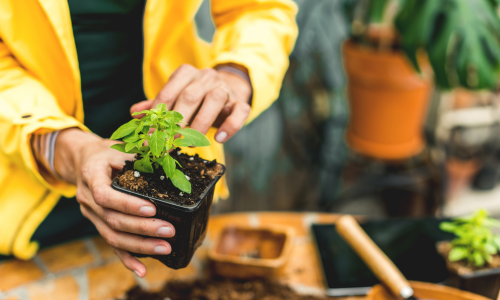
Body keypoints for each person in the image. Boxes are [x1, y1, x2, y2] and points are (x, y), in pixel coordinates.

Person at [0, 0, 298, 276]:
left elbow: (259, 8)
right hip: (21, 198)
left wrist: (236, 72)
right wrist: (64, 147)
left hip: (163, 191)